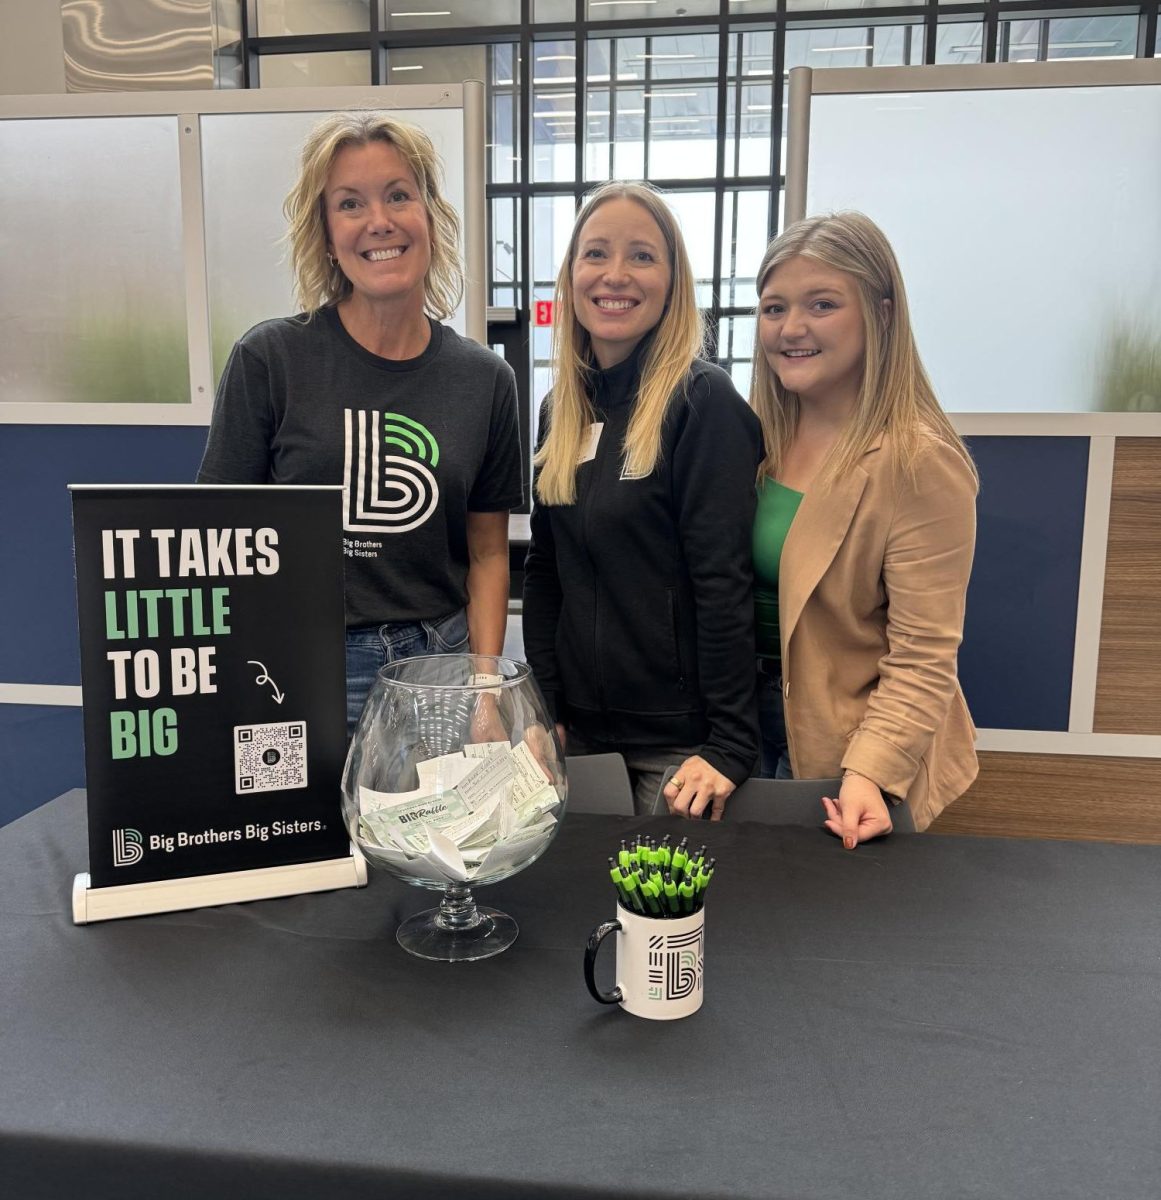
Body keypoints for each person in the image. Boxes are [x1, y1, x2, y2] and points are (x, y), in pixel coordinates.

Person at [197, 112, 523, 733]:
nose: (380, 221)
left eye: (399, 195)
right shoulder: (270, 359)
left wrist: (487, 689)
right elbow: (216, 545)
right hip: (304, 663)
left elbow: (486, 553)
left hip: (442, 664)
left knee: (438, 833)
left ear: (430, 215)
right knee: (307, 834)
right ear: (325, 232)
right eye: (350, 203)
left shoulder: (485, 380)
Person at [523, 181, 762, 818]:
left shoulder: (701, 403)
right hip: (582, 739)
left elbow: (722, 583)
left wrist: (731, 744)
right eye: (596, 254)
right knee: (579, 908)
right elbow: (546, 573)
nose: (615, 275)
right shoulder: (560, 411)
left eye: (642, 256)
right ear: (571, 275)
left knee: (665, 918)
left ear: (672, 280)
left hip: (681, 751)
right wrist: (545, 710)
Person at [747, 211, 978, 844]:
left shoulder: (918, 460)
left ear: (880, 312)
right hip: (744, 724)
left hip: (849, 741)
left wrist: (871, 771)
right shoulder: (755, 436)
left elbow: (925, 652)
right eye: (774, 308)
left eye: (822, 304)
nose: (792, 328)